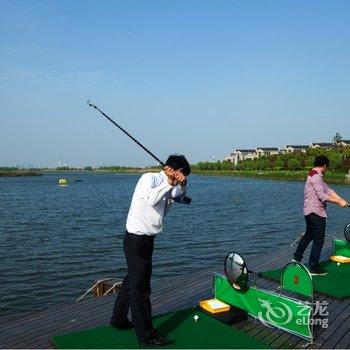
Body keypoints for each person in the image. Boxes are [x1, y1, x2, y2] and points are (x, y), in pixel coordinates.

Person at [110, 154, 191, 346]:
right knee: (141, 288)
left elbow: (177, 195)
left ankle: (118, 320)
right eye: (183, 174)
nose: (181, 178)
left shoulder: (170, 184)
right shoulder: (149, 179)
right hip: (136, 239)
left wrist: (183, 184)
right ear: (175, 171)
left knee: (132, 280)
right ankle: (146, 335)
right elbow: (153, 199)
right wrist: (171, 181)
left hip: (147, 240)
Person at [293, 155, 349, 275]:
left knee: (308, 235)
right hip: (316, 213)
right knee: (319, 240)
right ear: (324, 166)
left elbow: (328, 190)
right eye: (327, 168)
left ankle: (296, 258)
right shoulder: (316, 176)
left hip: (310, 212)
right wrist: (339, 202)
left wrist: (342, 200)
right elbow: (322, 196)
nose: (326, 170)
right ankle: (313, 267)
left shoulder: (314, 174)